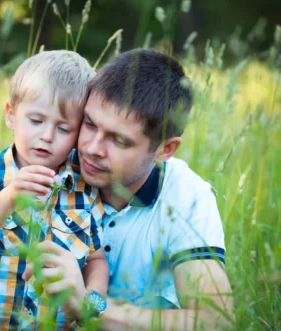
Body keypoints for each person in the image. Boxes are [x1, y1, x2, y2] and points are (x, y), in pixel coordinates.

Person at [23, 48, 234, 330]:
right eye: (89, 124)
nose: (91, 149)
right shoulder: (56, 165)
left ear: (165, 149)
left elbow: (216, 321)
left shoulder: (188, 198)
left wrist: (90, 305)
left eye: (119, 141)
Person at [0, 50, 108, 330]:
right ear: (11, 115)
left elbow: (96, 258)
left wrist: (91, 304)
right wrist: (8, 197)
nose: (47, 136)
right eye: (36, 121)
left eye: (63, 128)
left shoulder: (83, 187)